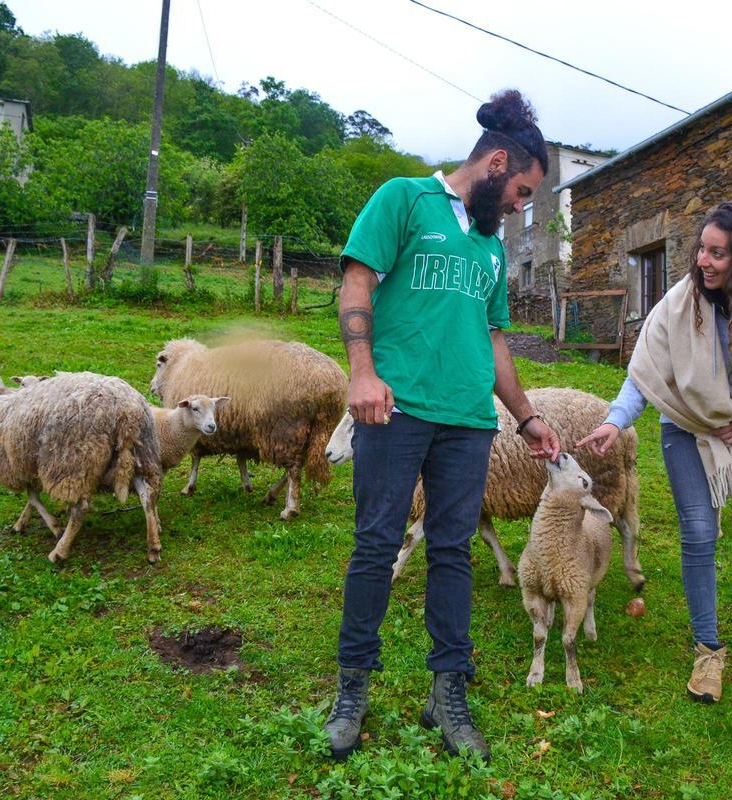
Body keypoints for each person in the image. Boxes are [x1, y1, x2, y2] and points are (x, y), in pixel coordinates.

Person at [324, 89, 561, 761]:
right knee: (376, 546)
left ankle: (447, 692)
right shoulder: (403, 200)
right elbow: (356, 284)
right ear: (494, 163)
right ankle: (352, 689)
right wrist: (362, 372)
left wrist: (527, 416)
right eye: (520, 190)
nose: (520, 205)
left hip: (467, 422)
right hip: (395, 410)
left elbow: (493, 339)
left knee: (453, 552)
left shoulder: (489, 247)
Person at [578, 200, 732, 704]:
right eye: (701, 249)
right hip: (686, 425)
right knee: (699, 533)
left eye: (718, 253)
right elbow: (645, 370)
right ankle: (708, 651)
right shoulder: (679, 305)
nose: (703, 260)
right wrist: (614, 422)